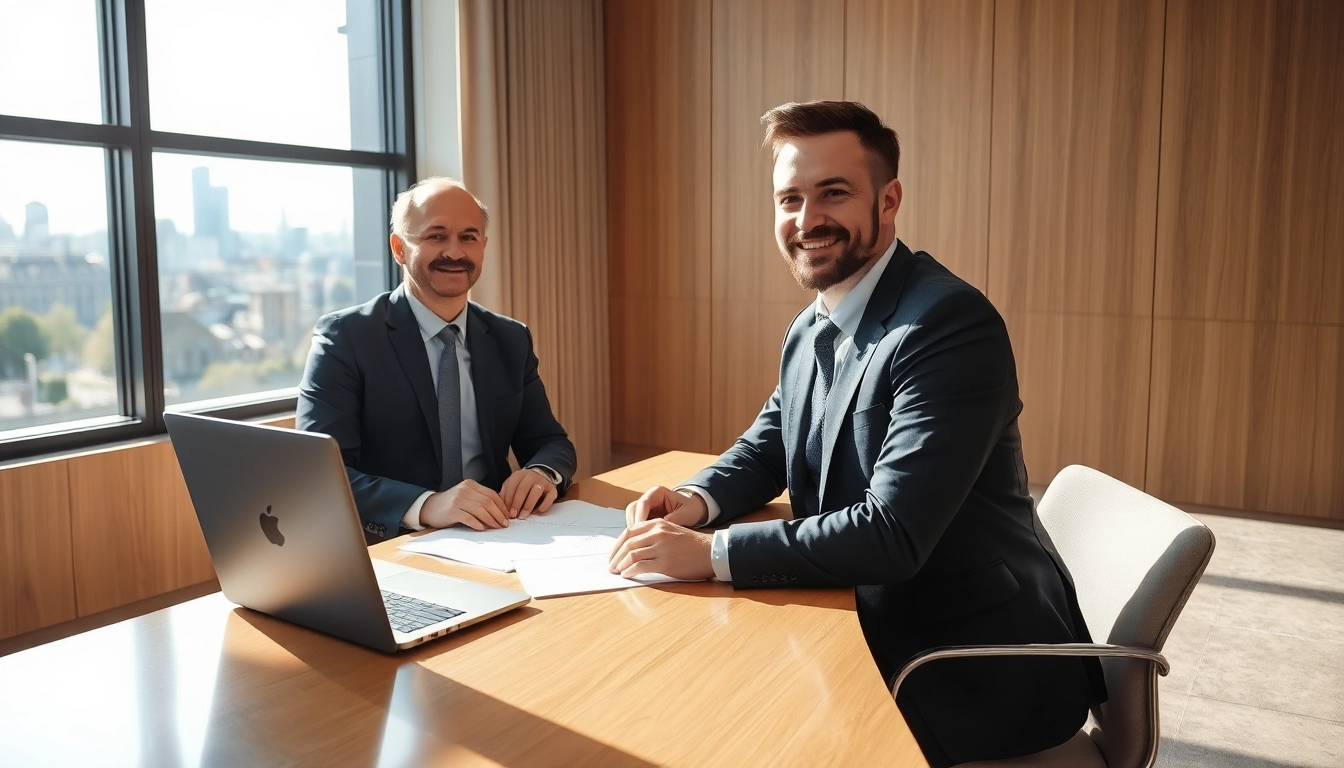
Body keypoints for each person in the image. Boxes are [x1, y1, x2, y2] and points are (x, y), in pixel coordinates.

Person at [607, 101, 1106, 766]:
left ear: (889, 199)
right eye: (790, 198)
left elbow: (891, 534)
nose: (807, 220)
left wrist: (712, 553)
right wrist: (695, 501)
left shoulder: (947, 325)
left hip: (962, 663)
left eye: (833, 194)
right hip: (867, 618)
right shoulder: (815, 322)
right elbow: (772, 440)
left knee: (737, 733)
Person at [297, 177, 576, 541]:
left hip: (497, 534)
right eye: (435, 236)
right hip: (394, 543)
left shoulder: (510, 338)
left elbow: (551, 441)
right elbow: (320, 473)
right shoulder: (345, 338)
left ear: (483, 248)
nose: (455, 252)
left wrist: (542, 472)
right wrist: (427, 505)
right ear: (399, 248)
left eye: (469, 237)